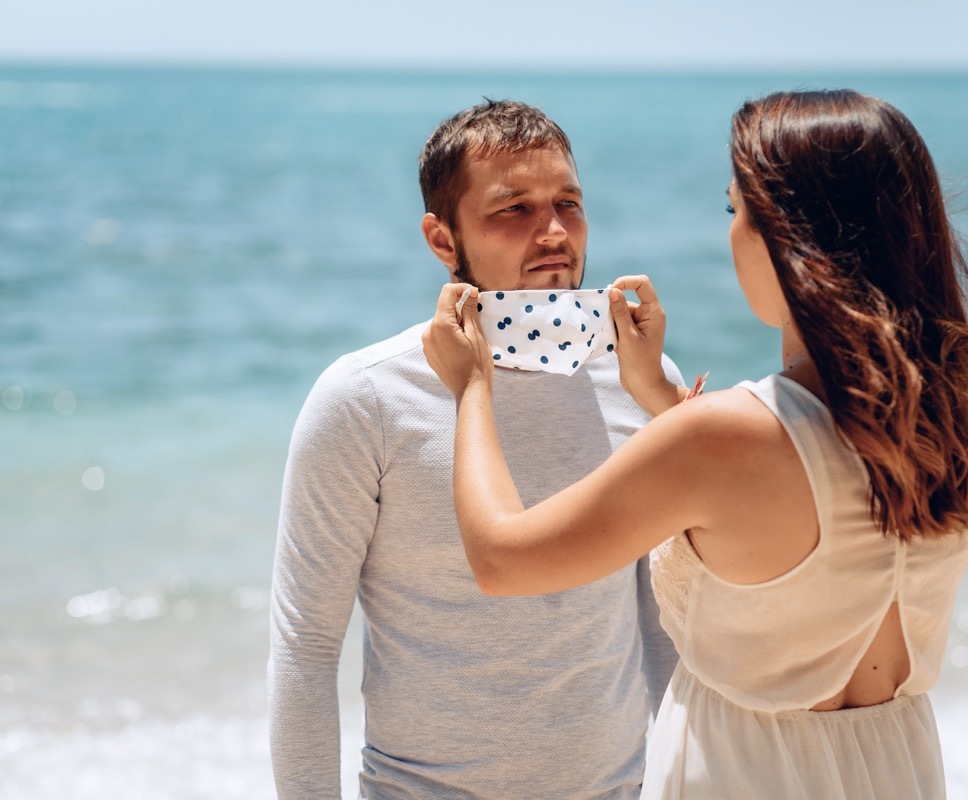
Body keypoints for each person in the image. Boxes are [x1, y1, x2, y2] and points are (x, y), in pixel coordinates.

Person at [423, 90, 968, 799]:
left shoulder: (720, 438)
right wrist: (660, 402)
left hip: (744, 772)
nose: (731, 235)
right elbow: (799, 516)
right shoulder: (946, 417)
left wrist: (472, 386)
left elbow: (502, 558)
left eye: (737, 211)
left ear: (791, 238)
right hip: (896, 765)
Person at [269, 99, 682, 800]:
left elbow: (666, 623)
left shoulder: (644, 382)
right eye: (513, 209)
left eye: (568, 204)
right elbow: (306, 649)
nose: (553, 232)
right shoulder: (364, 398)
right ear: (441, 237)